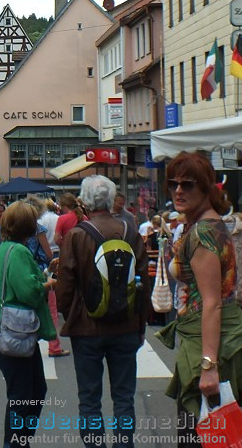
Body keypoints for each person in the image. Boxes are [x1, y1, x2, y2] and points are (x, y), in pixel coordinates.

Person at [157, 153, 242, 445]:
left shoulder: (203, 231)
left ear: (205, 188)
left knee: (199, 438)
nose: (178, 191)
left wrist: (208, 365)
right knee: (217, 438)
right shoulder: (210, 223)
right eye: (173, 184)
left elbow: (213, 302)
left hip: (212, 345)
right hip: (218, 338)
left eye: (187, 185)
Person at [55, 176, 149, 446]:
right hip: (126, 325)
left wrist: (69, 315)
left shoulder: (77, 235)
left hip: (86, 328)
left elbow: (65, 285)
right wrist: (140, 323)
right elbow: (143, 281)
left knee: (89, 399)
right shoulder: (131, 232)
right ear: (111, 200)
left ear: (84, 202)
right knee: (123, 397)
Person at [0, 201, 57, 448]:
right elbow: (29, 292)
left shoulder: (7, 247)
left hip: (9, 331)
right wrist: (49, 285)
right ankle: (15, 444)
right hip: (13, 333)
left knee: (32, 392)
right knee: (24, 396)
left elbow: (21, 282)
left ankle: (19, 443)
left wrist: (45, 275)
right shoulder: (21, 251)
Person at [25, 196, 68, 358]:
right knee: (50, 310)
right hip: (41, 270)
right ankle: (54, 346)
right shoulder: (38, 229)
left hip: (25, 270)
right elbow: (48, 253)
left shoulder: (18, 229)